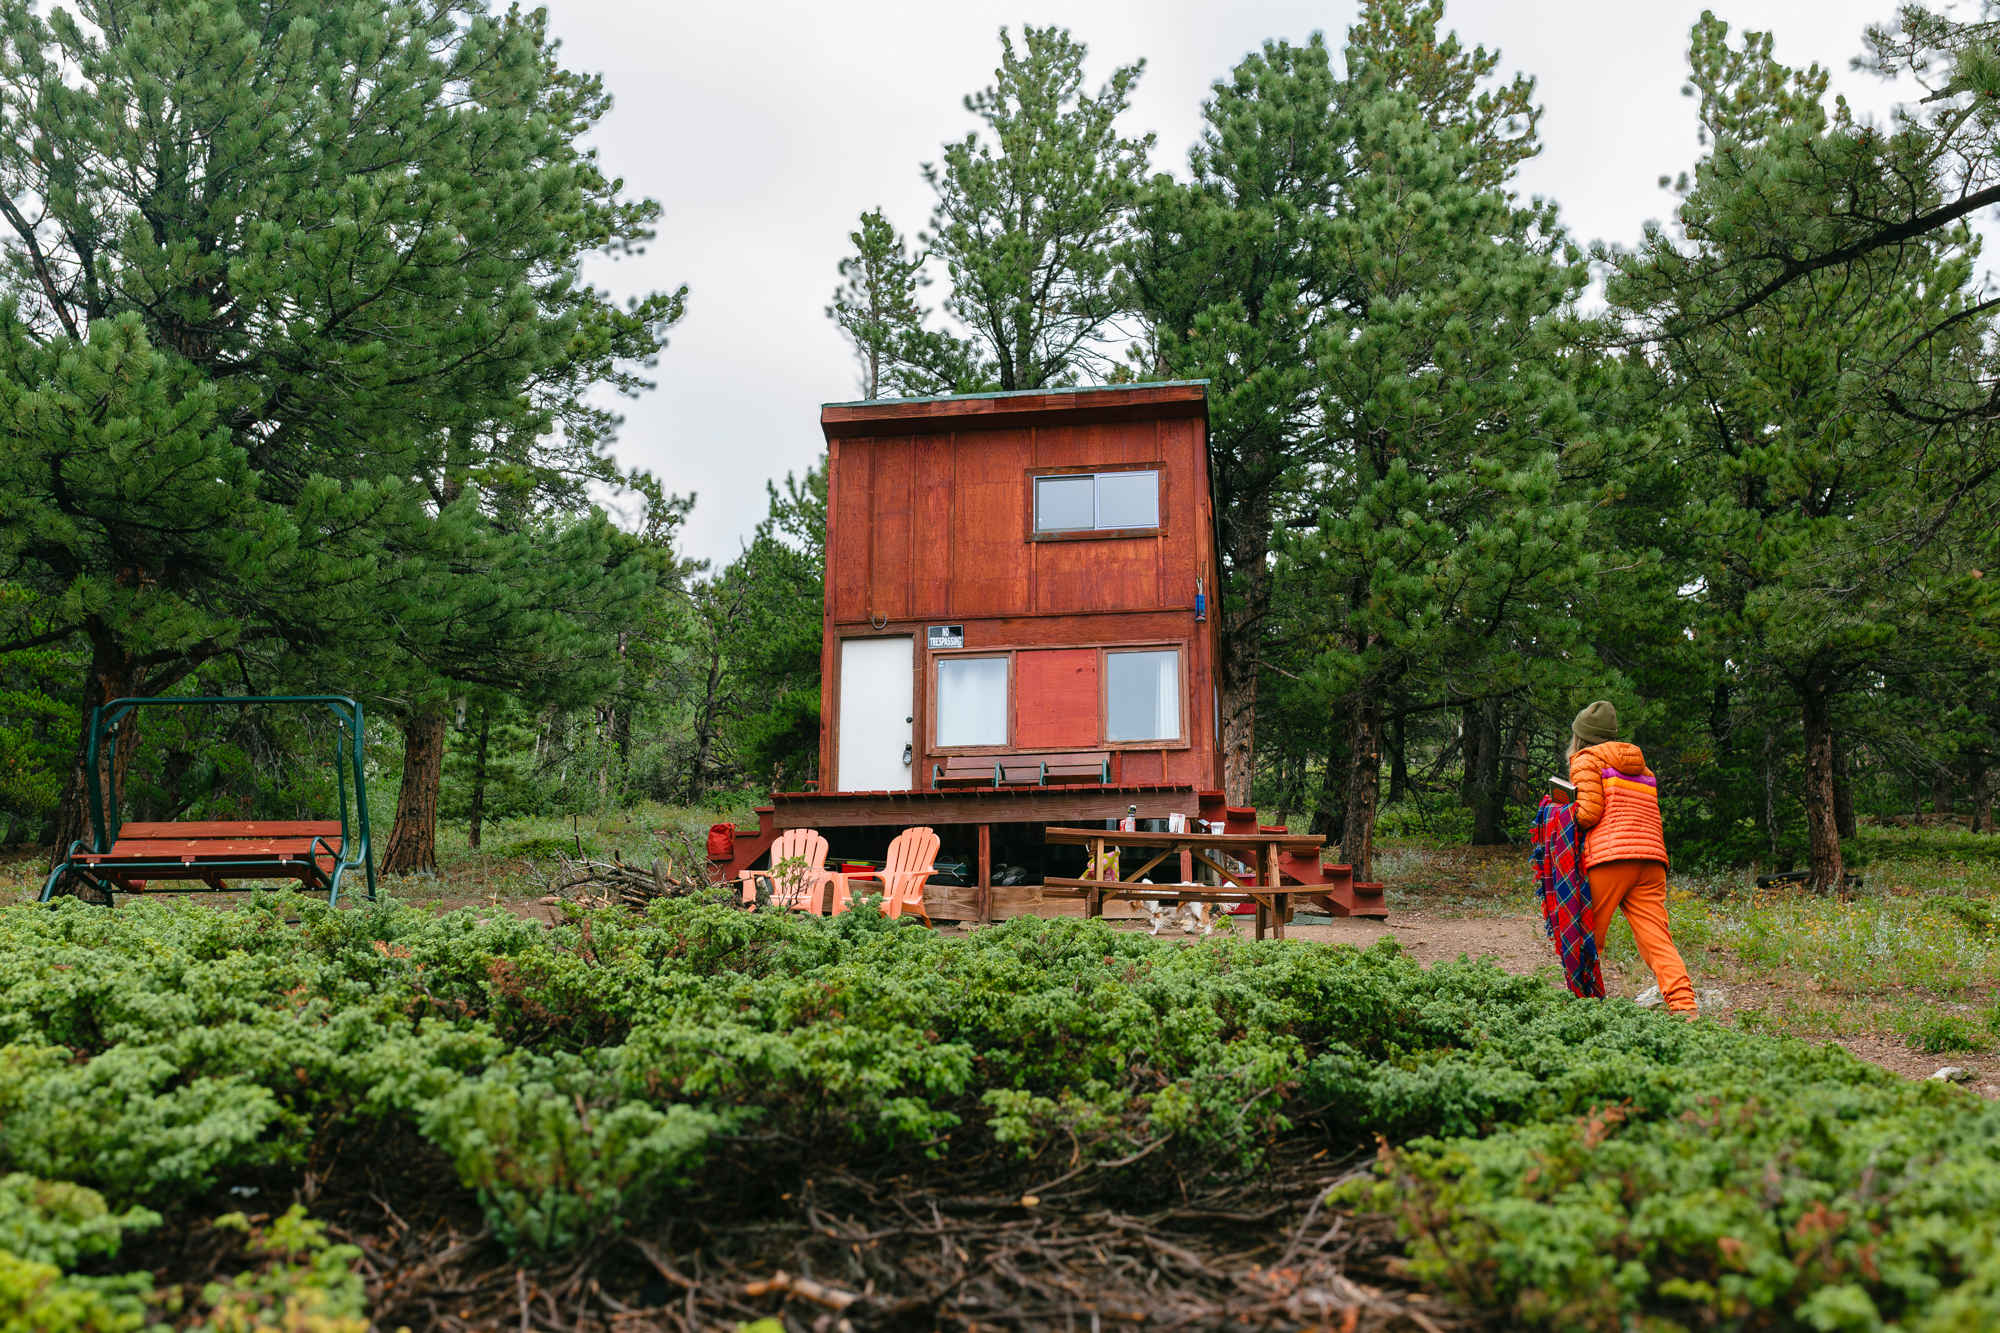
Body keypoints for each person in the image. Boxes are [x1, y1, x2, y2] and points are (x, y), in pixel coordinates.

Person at [1567, 700, 1697, 1017]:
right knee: (1657, 939)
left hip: (1611, 858)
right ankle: (1684, 1006)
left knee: (1587, 935)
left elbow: (1588, 814)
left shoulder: (1585, 760)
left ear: (1581, 736)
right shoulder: (1643, 768)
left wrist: (1559, 810)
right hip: (1651, 860)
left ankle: (1582, 1008)